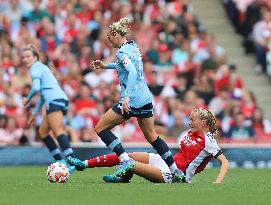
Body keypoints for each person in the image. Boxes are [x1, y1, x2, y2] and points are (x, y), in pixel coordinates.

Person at [89, 17, 184, 182]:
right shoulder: (133, 47)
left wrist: (126, 97)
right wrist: (105, 66)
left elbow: (132, 71)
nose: (109, 41)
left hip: (132, 99)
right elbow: (125, 65)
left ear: (116, 34)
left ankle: (125, 160)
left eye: (110, 37)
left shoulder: (121, 51)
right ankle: (175, 171)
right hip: (145, 97)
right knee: (152, 136)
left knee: (100, 128)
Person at [67, 108, 229, 183]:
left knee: (129, 164)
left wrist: (218, 182)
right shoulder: (190, 133)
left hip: (175, 176)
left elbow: (224, 162)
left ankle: (122, 177)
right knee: (127, 156)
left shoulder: (209, 140)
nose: (189, 121)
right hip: (168, 163)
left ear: (204, 122)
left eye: (193, 119)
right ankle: (84, 164)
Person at [21, 44, 77, 172]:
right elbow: (42, 95)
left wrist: (27, 99)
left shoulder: (35, 68)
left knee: (57, 130)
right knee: (43, 132)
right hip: (56, 99)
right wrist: (34, 114)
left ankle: (72, 160)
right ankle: (60, 160)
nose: (25, 59)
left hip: (54, 100)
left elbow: (35, 88)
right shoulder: (41, 68)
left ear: (35, 57)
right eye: (23, 57)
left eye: (28, 56)